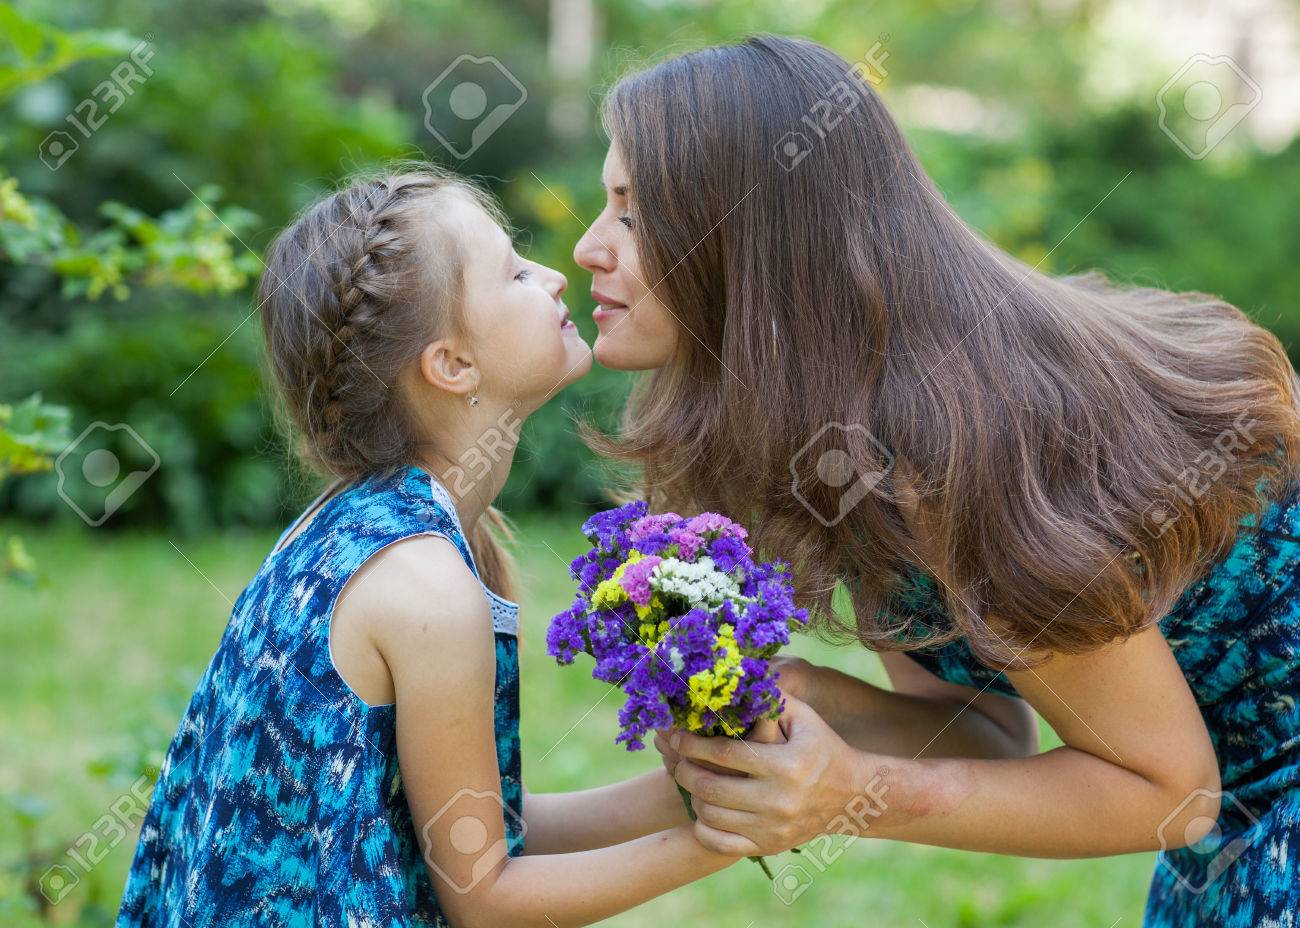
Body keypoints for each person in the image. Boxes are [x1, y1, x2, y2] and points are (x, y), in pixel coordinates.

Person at [573, 35, 1300, 926]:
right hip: (1236, 807)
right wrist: (812, 703)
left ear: (752, 241)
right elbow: (983, 728)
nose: (586, 248)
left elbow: (1167, 792)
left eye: (632, 217)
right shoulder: (837, 432)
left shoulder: (953, 443)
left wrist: (859, 791)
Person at [117, 167, 739, 928]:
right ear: (452, 364)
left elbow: (482, 833)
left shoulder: (373, 525)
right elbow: (486, 899)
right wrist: (726, 838)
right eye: (513, 271)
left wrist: (707, 787)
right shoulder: (423, 586)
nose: (552, 275)